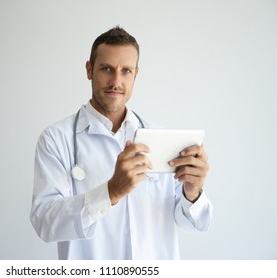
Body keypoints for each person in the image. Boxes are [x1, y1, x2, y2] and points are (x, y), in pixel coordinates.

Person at [30, 26, 212, 260]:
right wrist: (110, 192)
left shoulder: (162, 138)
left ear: (135, 74)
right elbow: (45, 222)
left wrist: (193, 192)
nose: (116, 81)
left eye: (125, 70)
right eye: (107, 69)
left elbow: (192, 223)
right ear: (89, 70)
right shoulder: (56, 139)